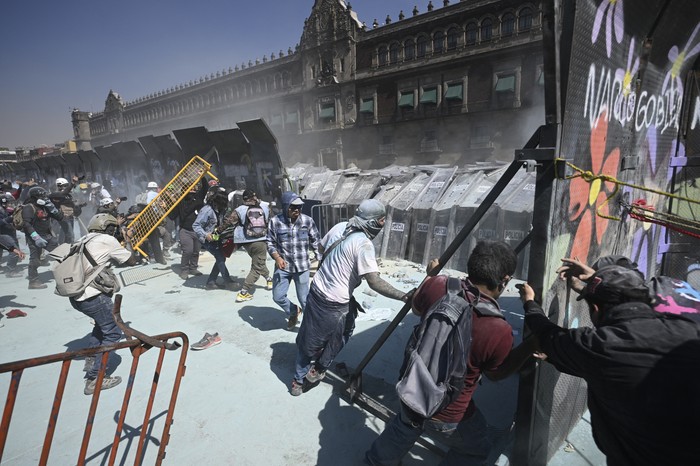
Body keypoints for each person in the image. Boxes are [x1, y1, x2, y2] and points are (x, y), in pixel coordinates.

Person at [366, 240, 534, 465]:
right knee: (476, 448)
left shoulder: (437, 285)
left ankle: (375, 461)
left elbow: (416, 308)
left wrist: (430, 275)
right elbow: (495, 374)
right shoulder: (498, 329)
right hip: (447, 412)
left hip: (411, 386)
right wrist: (529, 347)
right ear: (505, 280)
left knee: (405, 424)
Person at [518, 264, 700, 465]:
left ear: (595, 309)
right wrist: (598, 278)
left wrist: (529, 302)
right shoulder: (688, 329)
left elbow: (546, 334)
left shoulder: (600, 346)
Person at [292, 199, 410, 396]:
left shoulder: (340, 227)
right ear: (372, 222)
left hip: (317, 290)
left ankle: (301, 377)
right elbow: (374, 281)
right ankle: (310, 374)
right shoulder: (363, 244)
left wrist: (336, 269)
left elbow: (321, 250)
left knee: (311, 334)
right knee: (329, 338)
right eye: (381, 221)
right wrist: (404, 295)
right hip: (333, 304)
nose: (382, 225)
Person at [69, 213, 136, 396]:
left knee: (101, 326)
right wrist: (128, 239)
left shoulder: (83, 239)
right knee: (113, 332)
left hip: (77, 296)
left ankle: (92, 360)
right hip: (93, 296)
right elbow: (130, 260)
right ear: (109, 228)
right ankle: (95, 378)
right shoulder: (107, 239)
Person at [267, 191, 321, 329]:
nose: (297, 210)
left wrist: (321, 259)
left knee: (304, 299)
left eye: (299, 207)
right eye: (293, 207)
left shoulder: (307, 221)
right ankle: (293, 311)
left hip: (302, 266)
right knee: (278, 296)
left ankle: (313, 327)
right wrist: (277, 257)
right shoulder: (275, 222)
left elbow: (316, 242)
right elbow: (270, 243)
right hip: (283, 267)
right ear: (285, 207)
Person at [230, 189, 273, 302]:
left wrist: (217, 232)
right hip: (261, 240)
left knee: (258, 262)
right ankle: (243, 292)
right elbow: (270, 221)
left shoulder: (239, 210)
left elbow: (228, 223)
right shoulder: (265, 207)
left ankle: (269, 280)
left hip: (246, 242)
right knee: (256, 268)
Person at [192, 186, 237, 290]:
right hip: (206, 239)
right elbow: (196, 225)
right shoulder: (207, 210)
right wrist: (206, 234)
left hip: (216, 237)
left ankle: (211, 282)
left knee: (221, 258)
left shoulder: (220, 209)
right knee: (220, 257)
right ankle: (228, 280)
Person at [21, 186, 63, 289]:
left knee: (61, 255)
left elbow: (60, 218)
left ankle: (64, 274)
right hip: (35, 237)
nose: (44, 198)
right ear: (34, 197)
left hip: (48, 236)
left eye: (45, 196)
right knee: (35, 260)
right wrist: (35, 237)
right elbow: (26, 224)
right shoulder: (29, 207)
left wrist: (52, 208)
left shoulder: (46, 207)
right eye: (42, 196)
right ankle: (33, 282)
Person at [169, 178, 207, 279]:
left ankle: (193, 268)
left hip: (198, 230)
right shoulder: (180, 203)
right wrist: (165, 208)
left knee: (196, 251)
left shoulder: (198, 199)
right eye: (189, 188)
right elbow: (172, 216)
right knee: (188, 251)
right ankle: (184, 270)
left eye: (193, 188)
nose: (192, 189)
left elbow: (205, 189)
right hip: (185, 230)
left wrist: (202, 177)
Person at [49, 176, 83, 244]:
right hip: (61, 218)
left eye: (67, 186)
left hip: (70, 217)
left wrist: (79, 206)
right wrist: (72, 183)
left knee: (67, 235)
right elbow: (63, 194)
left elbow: (72, 206)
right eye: (64, 186)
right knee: (70, 236)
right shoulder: (54, 194)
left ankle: (64, 247)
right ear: (59, 186)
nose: (66, 187)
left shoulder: (68, 195)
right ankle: (65, 249)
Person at [0, 194, 22, 277]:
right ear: (3, 203)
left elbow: (11, 211)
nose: (11, 204)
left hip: (6, 233)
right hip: (4, 235)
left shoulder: (4, 210)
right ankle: (11, 271)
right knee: (15, 251)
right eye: (9, 203)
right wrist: (9, 218)